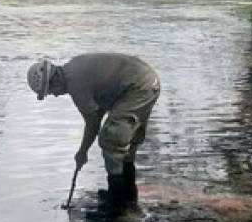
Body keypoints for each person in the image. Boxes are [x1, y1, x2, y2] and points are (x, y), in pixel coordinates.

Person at [27, 53, 160, 209]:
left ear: (54, 80)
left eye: (50, 91)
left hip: (137, 88)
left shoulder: (75, 85)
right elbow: (100, 106)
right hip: (147, 82)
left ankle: (117, 201)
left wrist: (82, 152)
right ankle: (129, 196)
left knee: (111, 139)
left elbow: (93, 123)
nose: (55, 95)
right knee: (126, 144)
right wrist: (84, 150)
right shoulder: (74, 66)